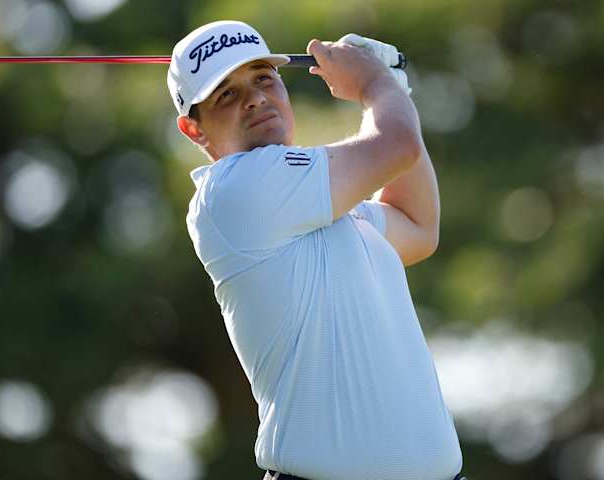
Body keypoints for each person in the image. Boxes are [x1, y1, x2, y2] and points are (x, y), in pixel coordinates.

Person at [168, 20, 465, 480]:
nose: (255, 98)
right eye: (226, 94)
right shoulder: (234, 191)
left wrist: (392, 88)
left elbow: (418, 226)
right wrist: (374, 82)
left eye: (264, 78)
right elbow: (397, 145)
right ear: (194, 130)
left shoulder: (332, 208)